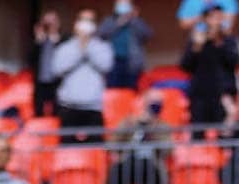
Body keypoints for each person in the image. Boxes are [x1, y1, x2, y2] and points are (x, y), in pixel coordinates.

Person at [51, 9, 114, 140]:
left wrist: (87, 46)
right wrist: (80, 47)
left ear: (95, 25)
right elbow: (58, 69)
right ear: (76, 23)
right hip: (68, 108)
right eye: (83, 20)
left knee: (95, 153)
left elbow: (106, 65)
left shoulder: (102, 46)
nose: (86, 24)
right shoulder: (65, 47)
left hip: (93, 109)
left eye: (90, 21)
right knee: (67, 155)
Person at [181, 3, 239, 128]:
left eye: (219, 17)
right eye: (212, 17)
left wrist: (220, 43)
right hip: (200, 95)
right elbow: (185, 65)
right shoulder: (197, 40)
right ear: (206, 19)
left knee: (224, 134)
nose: (216, 21)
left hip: (223, 94)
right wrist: (197, 47)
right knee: (198, 131)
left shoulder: (229, 40)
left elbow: (234, 62)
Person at [106, 90, 174, 184]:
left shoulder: (163, 126)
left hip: (152, 163)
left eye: (159, 103)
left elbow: (168, 150)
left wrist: (152, 128)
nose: (156, 106)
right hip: (128, 162)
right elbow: (113, 144)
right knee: (116, 171)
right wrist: (131, 126)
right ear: (145, 103)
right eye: (153, 102)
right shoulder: (129, 121)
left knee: (155, 175)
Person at [98, 1, 153, 90]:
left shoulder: (136, 21)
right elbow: (100, 34)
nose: (123, 7)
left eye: (126, 5)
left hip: (132, 62)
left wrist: (134, 19)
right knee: (113, 89)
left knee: (132, 90)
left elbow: (148, 34)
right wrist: (118, 23)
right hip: (113, 62)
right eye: (121, 4)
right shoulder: (109, 20)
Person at [31, 9, 66, 118]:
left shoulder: (64, 39)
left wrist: (56, 41)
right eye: (46, 23)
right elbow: (30, 60)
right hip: (40, 82)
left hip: (58, 83)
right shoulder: (39, 40)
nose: (49, 26)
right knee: (38, 114)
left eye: (52, 22)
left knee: (57, 114)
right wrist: (37, 42)